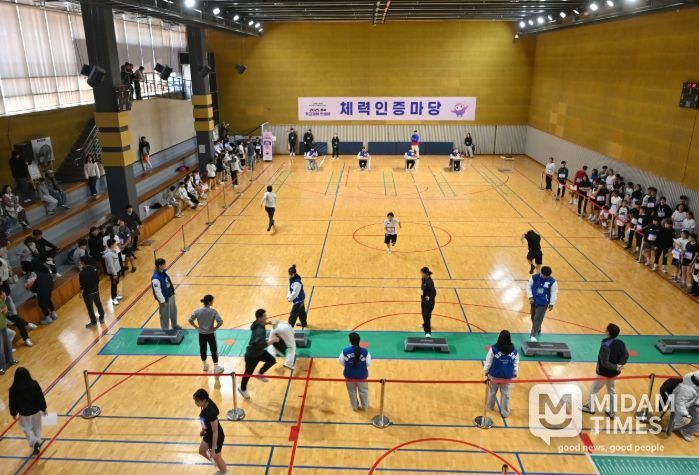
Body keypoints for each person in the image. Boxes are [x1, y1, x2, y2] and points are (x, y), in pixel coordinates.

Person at [581, 323, 629, 418]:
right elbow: (626, 355)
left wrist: (616, 367)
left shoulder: (605, 345)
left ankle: (590, 407)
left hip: (604, 373)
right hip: (614, 373)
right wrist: (619, 365)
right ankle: (612, 412)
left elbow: (604, 362)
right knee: (611, 391)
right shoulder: (621, 343)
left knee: (593, 389)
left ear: (608, 332)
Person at [238, 308, 276, 400]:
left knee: (271, 360)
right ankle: (242, 388)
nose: (266, 317)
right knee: (248, 373)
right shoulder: (260, 331)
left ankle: (259, 373)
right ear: (260, 318)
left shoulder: (257, 324)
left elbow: (254, 325)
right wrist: (273, 340)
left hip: (259, 352)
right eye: (265, 316)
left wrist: (267, 323)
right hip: (252, 356)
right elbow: (262, 344)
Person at [9, 367, 46, 455]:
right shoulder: (34, 384)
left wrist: (13, 413)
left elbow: (12, 402)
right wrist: (43, 408)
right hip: (35, 411)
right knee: (37, 428)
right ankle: (37, 442)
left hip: (24, 414)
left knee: (27, 429)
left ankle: (34, 442)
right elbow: (40, 396)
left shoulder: (13, 389)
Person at [484, 330, 519, 418]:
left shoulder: (494, 349)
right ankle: (505, 412)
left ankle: (490, 407)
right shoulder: (514, 350)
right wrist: (515, 372)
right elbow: (516, 363)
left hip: (494, 375)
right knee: (506, 394)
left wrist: (486, 371)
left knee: (492, 392)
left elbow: (488, 361)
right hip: (507, 376)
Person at [193, 388, 228, 474]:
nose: (195, 403)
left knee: (217, 456)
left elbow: (215, 431)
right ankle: (218, 464)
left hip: (216, 436)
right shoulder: (204, 406)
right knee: (202, 451)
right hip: (209, 433)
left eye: (197, 401)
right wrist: (203, 430)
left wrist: (213, 450)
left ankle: (224, 471)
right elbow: (205, 421)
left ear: (204, 400)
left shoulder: (211, 412)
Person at [189, 295, 224, 373]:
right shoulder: (213, 311)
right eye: (212, 301)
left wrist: (196, 327)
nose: (213, 302)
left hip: (201, 334)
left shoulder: (197, 311)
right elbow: (220, 322)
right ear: (209, 302)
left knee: (203, 350)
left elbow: (190, 320)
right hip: (210, 334)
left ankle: (205, 366)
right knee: (213, 350)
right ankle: (216, 367)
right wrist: (215, 328)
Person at [339, 332, 371, 411]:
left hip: (349, 375)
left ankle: (355, 407)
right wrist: (360, 366)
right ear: (359, 341)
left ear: (350, 341)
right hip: (362, 376)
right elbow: (368, 363)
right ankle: (365, 407)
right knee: (363, 392)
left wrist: (349, 365)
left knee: (351, 392)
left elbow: (341, 362)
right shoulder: (365, 351)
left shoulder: (345, 351)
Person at [526, 266, 557, 342]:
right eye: (543, 275)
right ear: (541, 272)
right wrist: (530, 297)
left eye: (546, 276)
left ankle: (533, 335)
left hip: (543, 303)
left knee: (538, 318)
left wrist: (552, 304)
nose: (544, 277)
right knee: (533, 317)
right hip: (534, 300)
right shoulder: (534, 277)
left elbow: (554, 293)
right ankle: (538, 329)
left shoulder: (553, 282)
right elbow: (528, 287)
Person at [152, 258, 181, 330]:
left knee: (173, 311)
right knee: (164, 315)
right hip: (164, 298)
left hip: (171, 294)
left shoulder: (165, 272)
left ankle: (174, 325)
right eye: (164, 264)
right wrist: (162, 301)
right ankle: (165, 329)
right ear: (160, 266)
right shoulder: (155, 278)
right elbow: (157, 291)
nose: (165, 265)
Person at [670, 371, 699, 442]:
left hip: (692, 400)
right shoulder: (687, 379)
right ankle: (681, 428)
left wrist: (697, 404)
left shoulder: (690, 377)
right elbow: (681, 401)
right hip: (682, 399)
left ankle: (688, 430)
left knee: (697, 416)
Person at [79, 255, 104, 328]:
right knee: (99, 304)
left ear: (83, 262)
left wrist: (81, 293)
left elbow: (82, 285)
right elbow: (97, 280)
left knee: (90, 309)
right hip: (95, 290)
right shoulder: (94, 268)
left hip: (87, 294)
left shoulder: (82, 273)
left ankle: (93, 323)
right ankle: (102, 318)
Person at [287, 264, 308, 330]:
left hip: (298, 301)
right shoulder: (291, 279)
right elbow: (289, 287)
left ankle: (289, 330)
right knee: (301, 313)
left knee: (292, 316)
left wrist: (290, 299)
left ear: (294, 274)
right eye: (289, 274)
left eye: (291, 274)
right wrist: (288, 295)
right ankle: (304, 323)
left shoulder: (297, 283)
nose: (290, 275)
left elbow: (295, 293)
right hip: (300, 300)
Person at [104, 239, 122, 305]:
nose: (116, 244)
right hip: (114, 273)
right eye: (115, 243)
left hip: (117, 270)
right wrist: (114, 274)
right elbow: (111, 265)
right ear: (111, 245)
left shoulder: (114, 251)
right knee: (113, 285)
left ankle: (115, 295)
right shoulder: (109, 254)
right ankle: (113, 298)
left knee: (116, 284)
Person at [420, 266, 436, 338]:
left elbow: (434, 292)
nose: (421, 274)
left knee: (427, 316)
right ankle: (425, 324)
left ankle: (428, 332)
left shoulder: (430, 282)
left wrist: (430, 298)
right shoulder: (423, 279)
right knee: (423, 314)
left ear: (426, 273)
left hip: (429, 303)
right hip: (423, 300)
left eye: (422, 273)